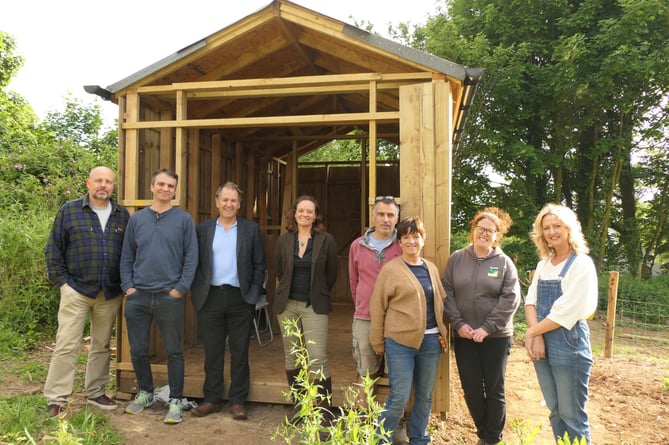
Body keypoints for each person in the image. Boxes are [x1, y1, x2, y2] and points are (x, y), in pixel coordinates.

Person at [44, 166, 130, 417]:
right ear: (88, 183)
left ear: (114, 186)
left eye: (109, 181)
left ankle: (96, 392)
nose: (103, 185)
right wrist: (62, 283)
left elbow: (129, 253)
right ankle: (57, 398)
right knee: (66, 345)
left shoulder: (122, 215)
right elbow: (54, 249)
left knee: (102, 345)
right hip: (77, 291)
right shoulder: (69, 211)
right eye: (99, 181)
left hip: (110, 293)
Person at [120, 168, 198, 424]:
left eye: (170, 186)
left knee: (174, 350)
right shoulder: (137, 219)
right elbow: (126, 257)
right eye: (161, 184)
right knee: (139, 350)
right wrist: (128, 286)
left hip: (169, 296)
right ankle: (145, 393)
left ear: (175, 191)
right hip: (138, 296)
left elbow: (192, 258)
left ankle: (175, 399)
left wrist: (180, 289)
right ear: (152, 187)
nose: (165, 189)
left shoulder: (184, 220)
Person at [442, 207, 521, 445]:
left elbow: (511, 299)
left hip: (496, 337)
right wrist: (458, 324)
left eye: (490, 230)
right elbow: (447, 293)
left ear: (497, 235)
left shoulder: (504, 263)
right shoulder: (457, 258)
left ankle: (491, 439)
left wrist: (486, 328)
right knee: (472, 390)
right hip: (465, 336)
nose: (484, 233)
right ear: (473, 230)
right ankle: (484, 432)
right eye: (480, 228)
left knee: (494, 389)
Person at [190, 182, 266, 421]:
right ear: (216, 202)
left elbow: (259, 264)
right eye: (225, 200)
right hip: (210, 296)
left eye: (233, 201)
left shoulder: (250, 229)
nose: (229, 204)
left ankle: (237, 401)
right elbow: (194, 264)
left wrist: (253, 295)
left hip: (239, 297)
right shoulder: (202, 230)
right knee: (212, 351)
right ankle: (212, 399)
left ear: (239, 204)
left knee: (240, 351)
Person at [369, 216, 449, 444]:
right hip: (399, 344)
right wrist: (377, 342)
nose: (411, 241)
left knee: (424, 396)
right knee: (400, 396)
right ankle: (380, 439)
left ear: (423, 240)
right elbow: (377, 307)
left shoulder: (431, 268)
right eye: (406, 237)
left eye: (416, 236)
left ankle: (419, 439)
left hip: (431, 341)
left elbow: (440, 300)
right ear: (400, 242)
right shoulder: (391, 270)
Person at [524, 203, 598, 444]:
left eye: (557, 226)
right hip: (542, 338)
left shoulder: (581, 264)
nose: (551, 231)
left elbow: (566, 311)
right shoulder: (543, 265)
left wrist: (532, 332)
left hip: (569, 341)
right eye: (546, 228)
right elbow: (530, 302)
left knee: (572, 414)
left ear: (569, 229)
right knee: (555, 410)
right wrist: (536, 337)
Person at [274, 195, 338, 421]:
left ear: (315, 215)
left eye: (309, 211)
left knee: (317, 357)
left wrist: (317, 292)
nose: (305, 215)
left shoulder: (326, 240)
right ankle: (299, 404)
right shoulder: (284, 240)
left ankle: (324, 410)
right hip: (287, 305)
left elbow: (331, 274)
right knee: (292, 356)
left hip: (314, 306)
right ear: (294, 213)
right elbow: (280, 272)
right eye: (301, 210)